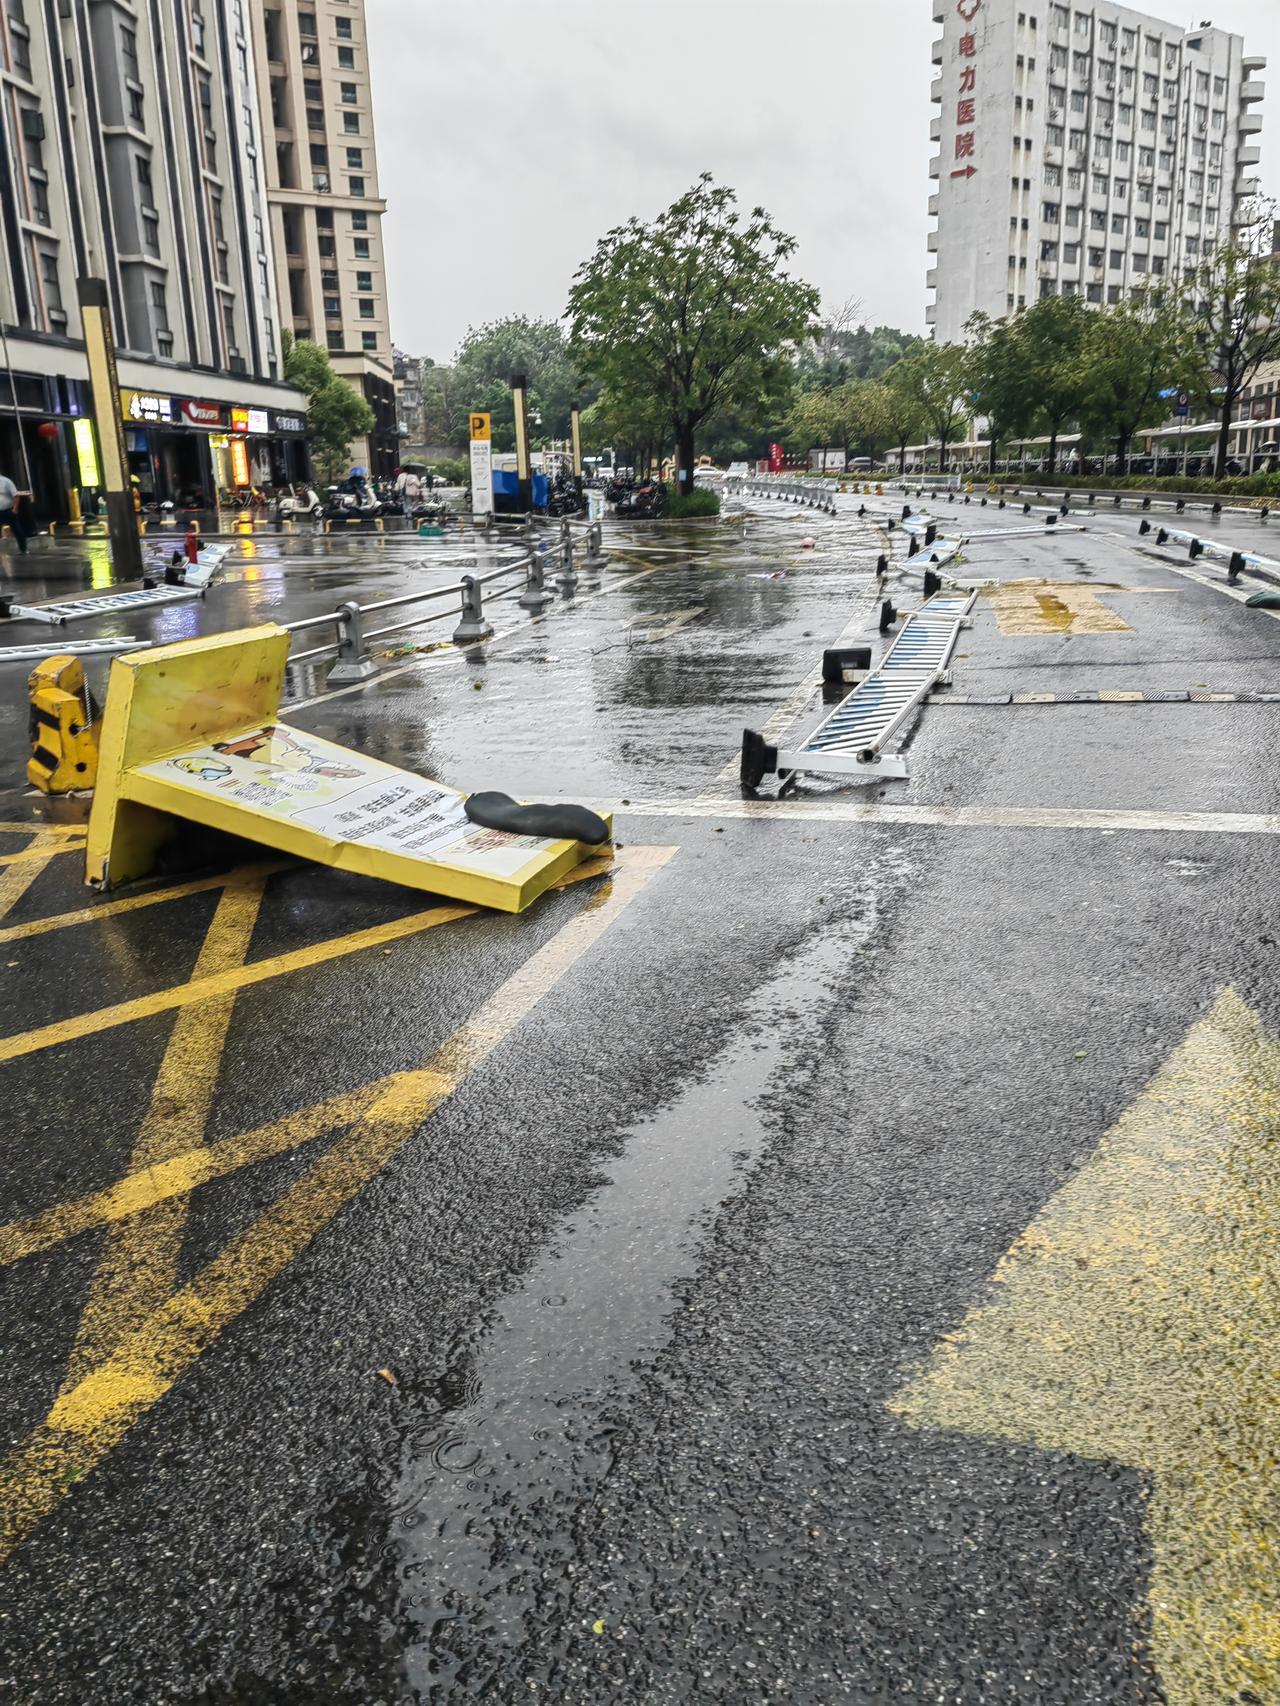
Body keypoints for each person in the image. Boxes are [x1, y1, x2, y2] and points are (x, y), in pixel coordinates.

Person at [0, 470, 27, 553]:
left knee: (16, 529)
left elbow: (15, 495)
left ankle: (23, 549)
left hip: (8, 510)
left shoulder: (6, 481)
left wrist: (15, 509)